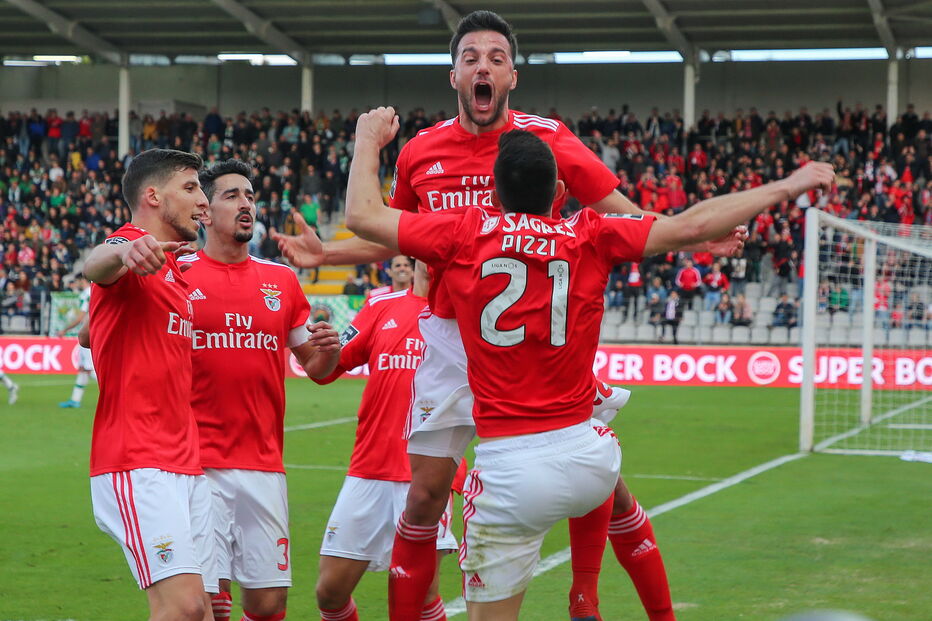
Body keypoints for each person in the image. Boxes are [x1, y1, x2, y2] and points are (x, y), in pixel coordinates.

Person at [274, 12, 746, 620]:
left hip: (533, 341)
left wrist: (686, 238)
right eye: (471, 58)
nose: (483, 67)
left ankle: (585, 595)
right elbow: (401, 234)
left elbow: (620, 213)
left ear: (512, 76)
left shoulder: (549, 139)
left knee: (605, 480)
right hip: (448, 336)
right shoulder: (420, 152)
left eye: (495, 58)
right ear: (454, 76)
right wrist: (329, 252)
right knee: (422, 498)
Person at [342, 107, 834, 621]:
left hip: (511, 470)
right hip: (589, 459)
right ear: (557, 188)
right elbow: (694, 222)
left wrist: (367, 140)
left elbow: (363, 217)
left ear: (494, 187)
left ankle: (584, 597)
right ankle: (587, 596)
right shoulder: (591, 234)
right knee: (618, 496)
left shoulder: (464, 234)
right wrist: (787, 184)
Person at [179, 159, 342, 621]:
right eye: (232, 196)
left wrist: (327, 350)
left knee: (270, 604)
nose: (246, 204)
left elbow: (314, 365)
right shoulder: (178, 276)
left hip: (263, 461)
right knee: (205, 600)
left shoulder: (282, 281)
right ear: (204, 212)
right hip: (196, 464)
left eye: (250, 195)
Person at [82, 148, 217, 621]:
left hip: (185, 462)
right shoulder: (132, 245)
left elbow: (93, 321)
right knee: (179, 608)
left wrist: (93, 325)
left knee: (202, 608)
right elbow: (97, 264)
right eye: (191, 187)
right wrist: (123, 252)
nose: (204, 200)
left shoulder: (172, 270)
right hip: (139, 461)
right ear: (153, 195)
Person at [312, 257, 459, 621]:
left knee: (422, 592)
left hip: (428, 475)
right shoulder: (381, 307)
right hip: (369, 469)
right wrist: (326, 346)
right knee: (329, 593)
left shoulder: (464, 317)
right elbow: (329, 369)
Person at [58, 274, 95, 408]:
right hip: (94, 332)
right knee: (83, 368)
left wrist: (65, 329)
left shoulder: (86, 294)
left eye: (78, 281)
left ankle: (117, 393)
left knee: (90, 370)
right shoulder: (95, 290)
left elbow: (80, 318)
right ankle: (75, 399)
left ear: (82, 281)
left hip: (88, 333)